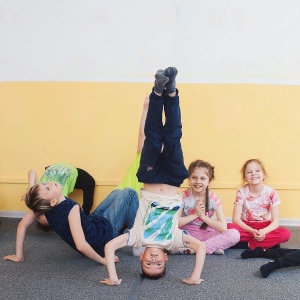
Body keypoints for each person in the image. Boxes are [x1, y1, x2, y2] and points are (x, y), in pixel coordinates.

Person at [100, 67, 206, 286]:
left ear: (141, 257)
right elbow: (201, 247)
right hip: (174, 178)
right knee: (174, 136)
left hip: (151, 177)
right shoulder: (174, 240)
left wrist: (113, 277)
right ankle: (172, 91)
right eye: (159, 265)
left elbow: (109, 247)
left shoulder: (137, 238)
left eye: (148, 264)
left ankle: (158, 93)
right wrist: (195, 276)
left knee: (154, 138)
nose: (154, 260)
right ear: (166, 258)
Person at [172, 159, 240, 255]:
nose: (198, 181)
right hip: (187, 234)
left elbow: (223, 227)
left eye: (202, 178)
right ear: (189, 179)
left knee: (234, 234)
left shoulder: (214, 199)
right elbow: (175, 223)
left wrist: (203, 217)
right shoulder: (182, 197)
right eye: (194, 177)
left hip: (207, 234)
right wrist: (195, 215)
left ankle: (198, 248)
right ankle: (210, 247)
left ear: (209, 181)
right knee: (167, 235)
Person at [227, 159, 290, 250]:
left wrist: (263, 231)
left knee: (285, 233)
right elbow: (236, 219)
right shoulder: (241, 191)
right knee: (226, 227)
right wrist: (252, 231)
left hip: (265, 226)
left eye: (257, 170)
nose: (253, 174)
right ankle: (267, 243)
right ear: (244, 177)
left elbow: (275, 221)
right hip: (246, 227)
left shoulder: (271, 192)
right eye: (249, 172)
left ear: (264, 174)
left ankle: (249, 244)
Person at [29, 162, 95, 215]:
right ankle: (86, 214)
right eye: (48, 189)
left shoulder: (39, 188)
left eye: (44, 184)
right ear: (53, 201)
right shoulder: (59, 193)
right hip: (65, 169)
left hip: (57, 168)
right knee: (90, 182)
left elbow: (32, 171)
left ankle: (86, 213)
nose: (50, 183)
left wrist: (31, 188)